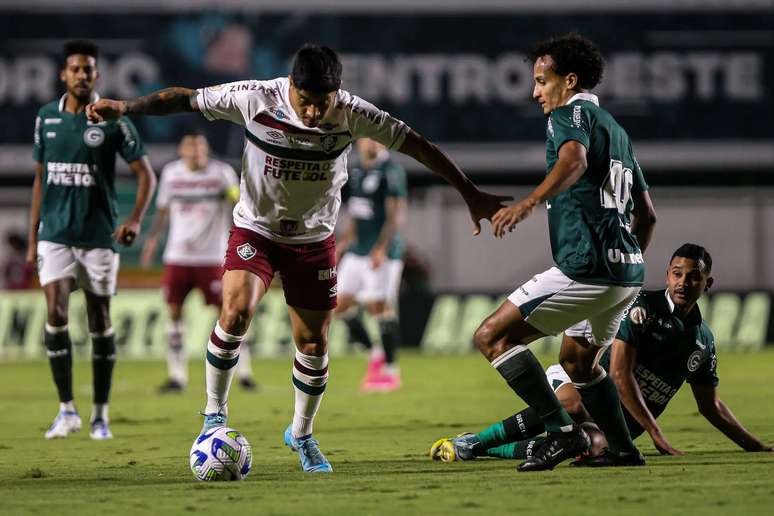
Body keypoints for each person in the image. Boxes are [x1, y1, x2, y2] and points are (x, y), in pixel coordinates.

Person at [87, 44, 507, 472]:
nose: (311, 113)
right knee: (234, 314)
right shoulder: (254, 97)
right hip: (257, 230)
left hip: (313, 239)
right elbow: (184, 98)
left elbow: (418, 146)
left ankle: (301, 435)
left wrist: (469, 192)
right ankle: (214, 415)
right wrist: (125, 106)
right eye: (304, 102)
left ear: (337, 92)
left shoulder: (353, 112)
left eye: (321, 104)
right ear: (290, 85)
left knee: (313, 342)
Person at [470, 33, 658, 471]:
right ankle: (622, 449)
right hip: (626, 274)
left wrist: (529, 202)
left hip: (586, 268)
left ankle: (562, 434)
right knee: (576, 361)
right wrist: (626, 264)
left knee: (491, 337)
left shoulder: (568, 115)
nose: (535, 92)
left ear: (569, 81)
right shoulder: (617, 131)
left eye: (541, 80)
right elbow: (647, 216)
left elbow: (572, 161)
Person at [432, 244, 773, 462]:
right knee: (572, 406)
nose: (683, 283)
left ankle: (482, 450)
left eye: (694, 277)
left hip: (621, 422)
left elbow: (709, 405)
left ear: (707, 284)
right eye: (677, 274)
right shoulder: (643, 307)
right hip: (582, 381)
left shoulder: (703, 342)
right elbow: (619, 375)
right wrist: (655, 432)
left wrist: (754, 445)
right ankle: (475, 443)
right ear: (667, 276)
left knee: (588, 445)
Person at [27, 40, 156, 440]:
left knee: (99, 320)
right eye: (75, 69)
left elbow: (146, 176)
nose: (82, 75)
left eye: (88, 69)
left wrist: (135, 219)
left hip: (99, 236)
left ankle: (100, 414)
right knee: (57, 313)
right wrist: (34, 238)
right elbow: (40, 178)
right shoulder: (46, 117)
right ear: (63, 75)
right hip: (56, 235)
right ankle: (67, 410)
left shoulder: (114, 120)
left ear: (97, 75)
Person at [141, 130, 257, 393]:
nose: (197, 152)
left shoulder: (221, 173)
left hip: (212, 256)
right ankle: (177, 376)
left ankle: (245, 373)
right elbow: (162, 210)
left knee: (230, 314)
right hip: (178, 255)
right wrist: (151, 241)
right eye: (192, 147)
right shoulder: (172, 174)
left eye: (201, 147)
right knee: (173, 313)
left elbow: (238, 205)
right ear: (182, 150)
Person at [335, 138, 407, 392]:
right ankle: (374, 354)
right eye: (366, 136)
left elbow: (395, 214)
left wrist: (381, 247)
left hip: (382, 252)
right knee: (339, 305)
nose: (370, 141)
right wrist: (343, 242)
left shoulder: (391, 171)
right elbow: (357, 212)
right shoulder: (355, 171)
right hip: (358, 250)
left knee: (379, 305)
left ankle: (391, 370)